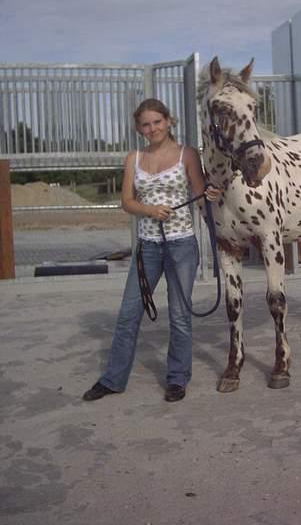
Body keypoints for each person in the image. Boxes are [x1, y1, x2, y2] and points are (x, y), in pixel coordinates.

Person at [83, 98, 220, 403]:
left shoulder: (188, 155)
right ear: (139, 128)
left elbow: (199, 195)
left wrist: (210, 195)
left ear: (168, 121)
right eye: (145, 124)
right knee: (129, 313)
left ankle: (177, 379)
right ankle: (112, 379)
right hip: (147, 248)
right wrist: (148, 209)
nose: (152, 128)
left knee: (180, 315)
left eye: (157, 121)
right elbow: (127, 202)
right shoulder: (133, 158)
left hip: (182, 245)